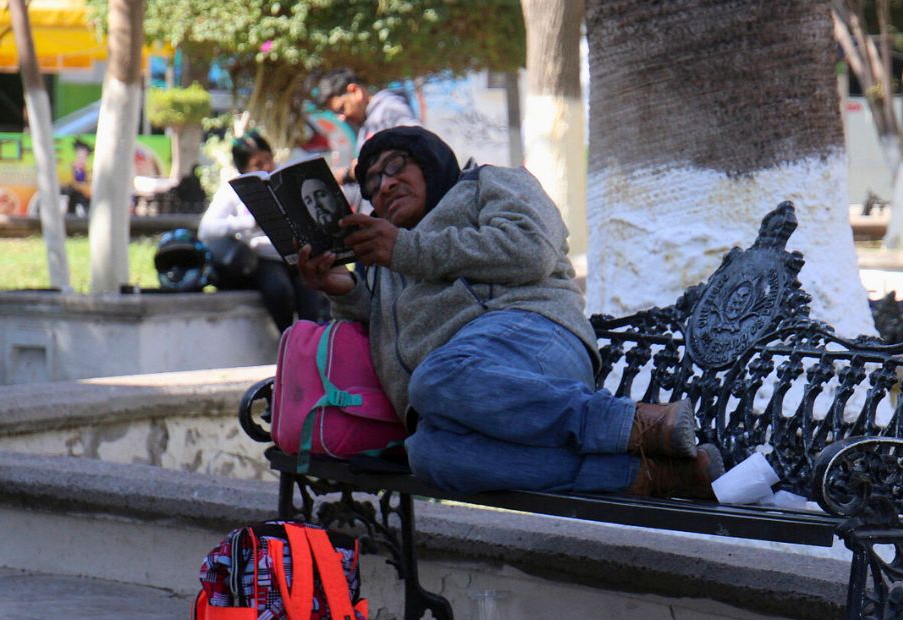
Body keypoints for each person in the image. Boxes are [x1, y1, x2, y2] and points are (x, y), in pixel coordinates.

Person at [297, 126, 721, 499]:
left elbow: (531, 250)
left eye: (395, 166)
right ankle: (647, 473)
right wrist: (346, 291)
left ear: (430, 161)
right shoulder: (385, 252)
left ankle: (628, 423)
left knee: (436, 376)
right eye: (372, 182)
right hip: (470, 393)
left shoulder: (489, 183)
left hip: (533, 337)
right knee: (430, 454)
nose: (384, 185)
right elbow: (393, 330)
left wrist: (408, 249)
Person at [199, 130, 326, 333]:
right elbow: (207, 228)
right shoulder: (232, 191)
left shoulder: (284, 180)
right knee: (279, 290)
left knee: (311, 295)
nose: (267, 167)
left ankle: (312, 343)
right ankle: (287, 339)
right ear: (244, 168)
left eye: (268, 159)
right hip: (265, 257)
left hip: (298, 253)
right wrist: (247, 223)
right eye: (258, 165)